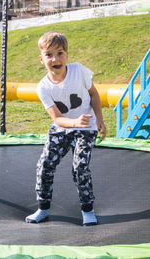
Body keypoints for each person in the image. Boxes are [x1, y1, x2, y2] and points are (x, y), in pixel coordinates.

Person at [25, 31, 107, 226]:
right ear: (41, 58)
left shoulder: (79, 71)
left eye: (60, 53)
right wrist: (74, 123)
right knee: (45, 164)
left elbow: (94, 95)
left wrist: (99, 120)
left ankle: (87, 210)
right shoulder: (43, 87)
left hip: (86, 128)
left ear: (67, 54)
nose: (55, 59)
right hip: (62, 127)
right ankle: (43, 208)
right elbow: (57, 118)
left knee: (80, 167)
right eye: (49, 54)